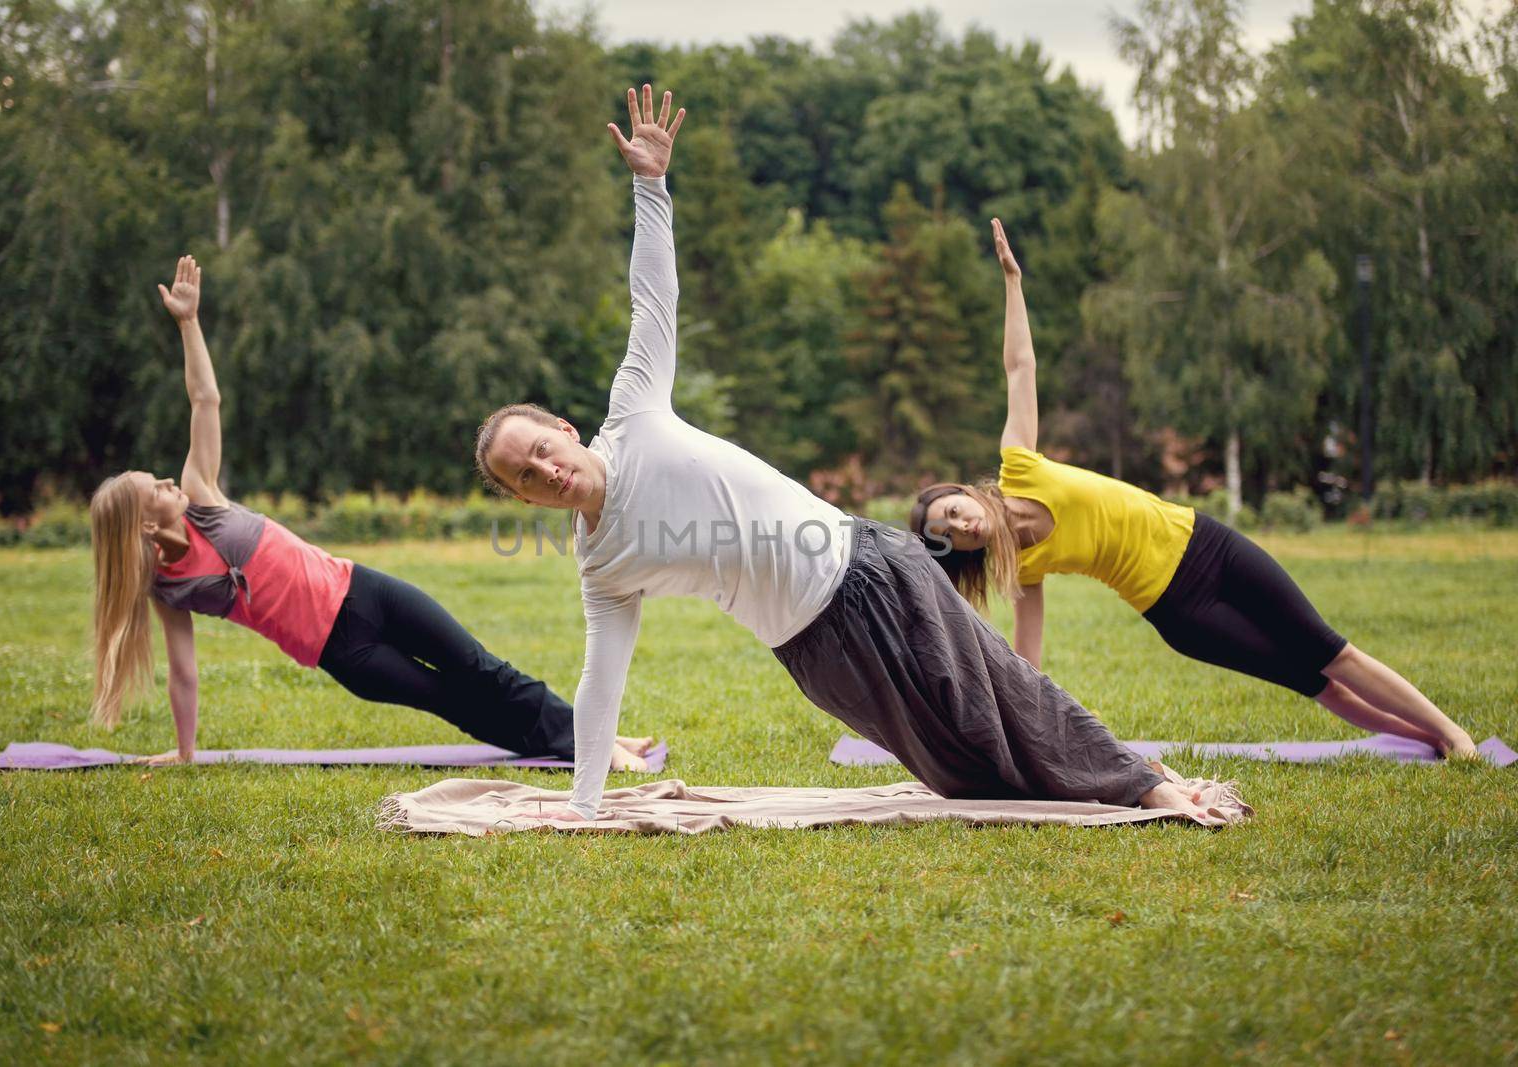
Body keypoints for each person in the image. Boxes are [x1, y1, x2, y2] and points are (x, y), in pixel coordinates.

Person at [475, 86, 1239, 823]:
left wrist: (650, 188)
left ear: (566, 432)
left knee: (996, 695)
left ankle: (1142, 786)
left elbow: (653, 297)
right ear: (527, 500)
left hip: (866, 573)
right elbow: (600, 680)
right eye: (524, 476)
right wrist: (581, 805)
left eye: (540, 449)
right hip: (814, 656)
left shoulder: (635, 411)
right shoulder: (600, 567)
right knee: (959, 770)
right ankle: (1106, 782)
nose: (543, 470)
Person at [909, 218, 1477, 759]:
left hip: (1207, 543)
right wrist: (1008, 723)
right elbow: (1027, 661)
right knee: (1314, 682)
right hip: (1180, 610)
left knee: (1330, 651)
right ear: (961, 553)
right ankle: (1429, 741)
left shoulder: (1020, 466)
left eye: (954, 511)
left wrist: (1013, 282)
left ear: (964, 493)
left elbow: (1019, 367)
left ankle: (1451, 733)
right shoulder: (1024, 569)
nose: (961, 525)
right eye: (951, 535)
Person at [88, 255, 654, 769]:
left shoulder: (201, 498)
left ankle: (597, 740)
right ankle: (589, 745)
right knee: (453, 702)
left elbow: (204, 401)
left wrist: (189, 324)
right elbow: (183, 671)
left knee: (478, 668)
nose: (168, 480)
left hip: (364, 589)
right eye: (154, 486)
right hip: (341, 650)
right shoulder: (169, 587)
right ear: (141, 522)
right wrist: (186, 755)